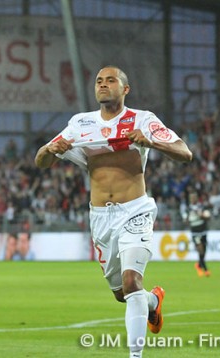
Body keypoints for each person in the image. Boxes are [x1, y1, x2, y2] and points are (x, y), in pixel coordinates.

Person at [35, 65, 192, 358]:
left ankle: (135, 355)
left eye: (110, 80)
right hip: (101, 217)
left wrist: (151, 142)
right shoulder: (80, 123)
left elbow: (185, 153)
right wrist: (50, 150)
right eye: (98, 81)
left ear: (125, 89)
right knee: (122, 293)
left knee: (133, 281)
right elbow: (41, 160)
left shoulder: (142, 120)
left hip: (136, 210)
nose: (103, 85)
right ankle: (153, 303)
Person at [181, 191, 211, 277]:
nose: (193, 199)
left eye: (194, 197)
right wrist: (188, 218)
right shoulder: (188, 209)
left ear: (197, 198)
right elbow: (185, 221)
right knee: (200, 249)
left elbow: (208, 216)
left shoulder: (201, 206)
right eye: (191, 198)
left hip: (203, 230)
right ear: (190, 199)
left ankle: (198, 265)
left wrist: (201, 215)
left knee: (204, 250)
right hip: (195, 232)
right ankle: (205, 269)